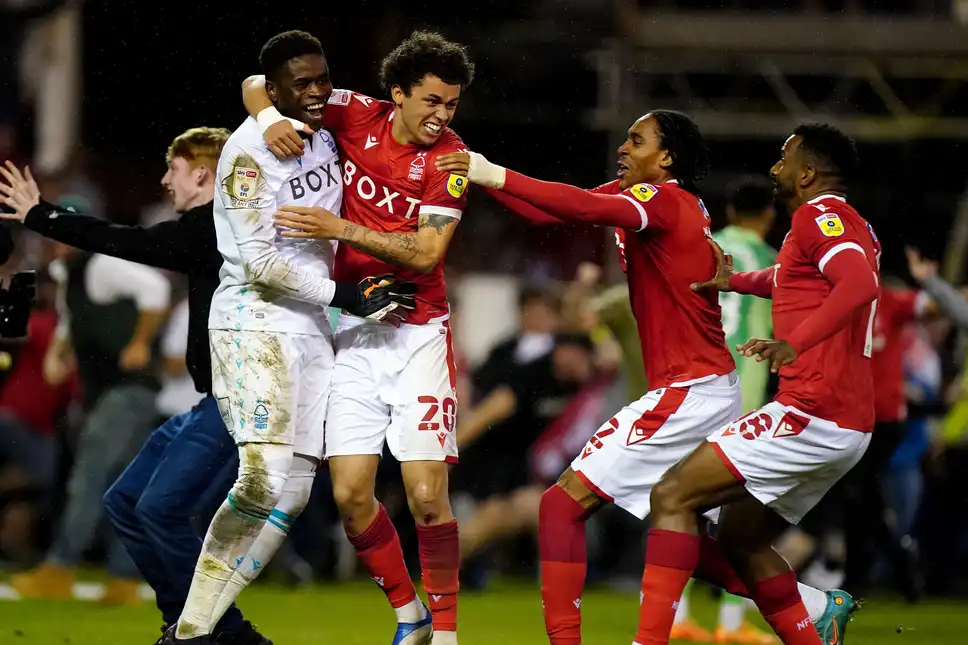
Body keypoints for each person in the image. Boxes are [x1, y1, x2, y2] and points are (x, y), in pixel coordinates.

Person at [434, 114, 848, 645]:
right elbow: (553, 211)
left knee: (560, 506)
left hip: (689, 389)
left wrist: (490, 173)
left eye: (637, 141)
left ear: (667, 158)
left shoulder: (662, 200)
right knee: (686, 538)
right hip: (704, 386)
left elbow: (578, 206)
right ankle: (813, 609)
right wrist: (472, 171)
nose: (625, 149)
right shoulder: (652, 199)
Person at [163, 31, 416, 645]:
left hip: (311, 332)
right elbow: (258, 263)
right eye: (299, 84)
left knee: (296, 491)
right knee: (262, 477)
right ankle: (191, 631)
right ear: (276, 88)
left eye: (321, 79)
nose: (316, 92)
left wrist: (267, 101)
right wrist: (346, 296)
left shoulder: (324, 126)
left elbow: (259, 83)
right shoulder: (251, 153)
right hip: (254, 323)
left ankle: (193, 631)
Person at [243, 30, 474, 645]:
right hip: (357, 331)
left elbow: (426, 253)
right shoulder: (352, 112)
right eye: (431, 101)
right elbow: (255, 83)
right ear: (396, 95)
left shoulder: (449, 161)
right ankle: (409, 617)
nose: (442, 116)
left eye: (451, 104)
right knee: (349, 495)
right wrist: (267, 118)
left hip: (421, 335)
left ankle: (448, 636)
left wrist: (336, 225)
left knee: (426, 496)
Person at [0, 130, 276, 643]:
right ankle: (189, 626)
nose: (163, 179)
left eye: (173, 169)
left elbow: (125, 241)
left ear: (202, 175)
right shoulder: (215, 229)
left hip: (240, 401)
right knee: (125, 501)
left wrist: (42, 214)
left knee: (159, 508)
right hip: (211, 400)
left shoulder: (219, 228)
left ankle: (220, 631)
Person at [635, 123, 879, 645]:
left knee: (672, 495)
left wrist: (797, 341)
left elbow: (859, 284)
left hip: (812, 410)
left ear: (808, 172)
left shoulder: (819, 215)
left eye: (784, 159)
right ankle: (818, 616)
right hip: (847, 423)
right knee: (742, 540)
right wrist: (736, 282)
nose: (775, 169)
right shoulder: (842, 223)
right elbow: (790, 278)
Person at [674, 178, 779, 644]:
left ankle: (674, 615)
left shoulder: (706, 244)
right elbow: (781, 326)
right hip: (744, 393)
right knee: (740, 510)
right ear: (768, 216)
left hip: (699, 385)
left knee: (679, 501)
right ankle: (731, 625)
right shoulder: (769, 259)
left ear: (731, 209)